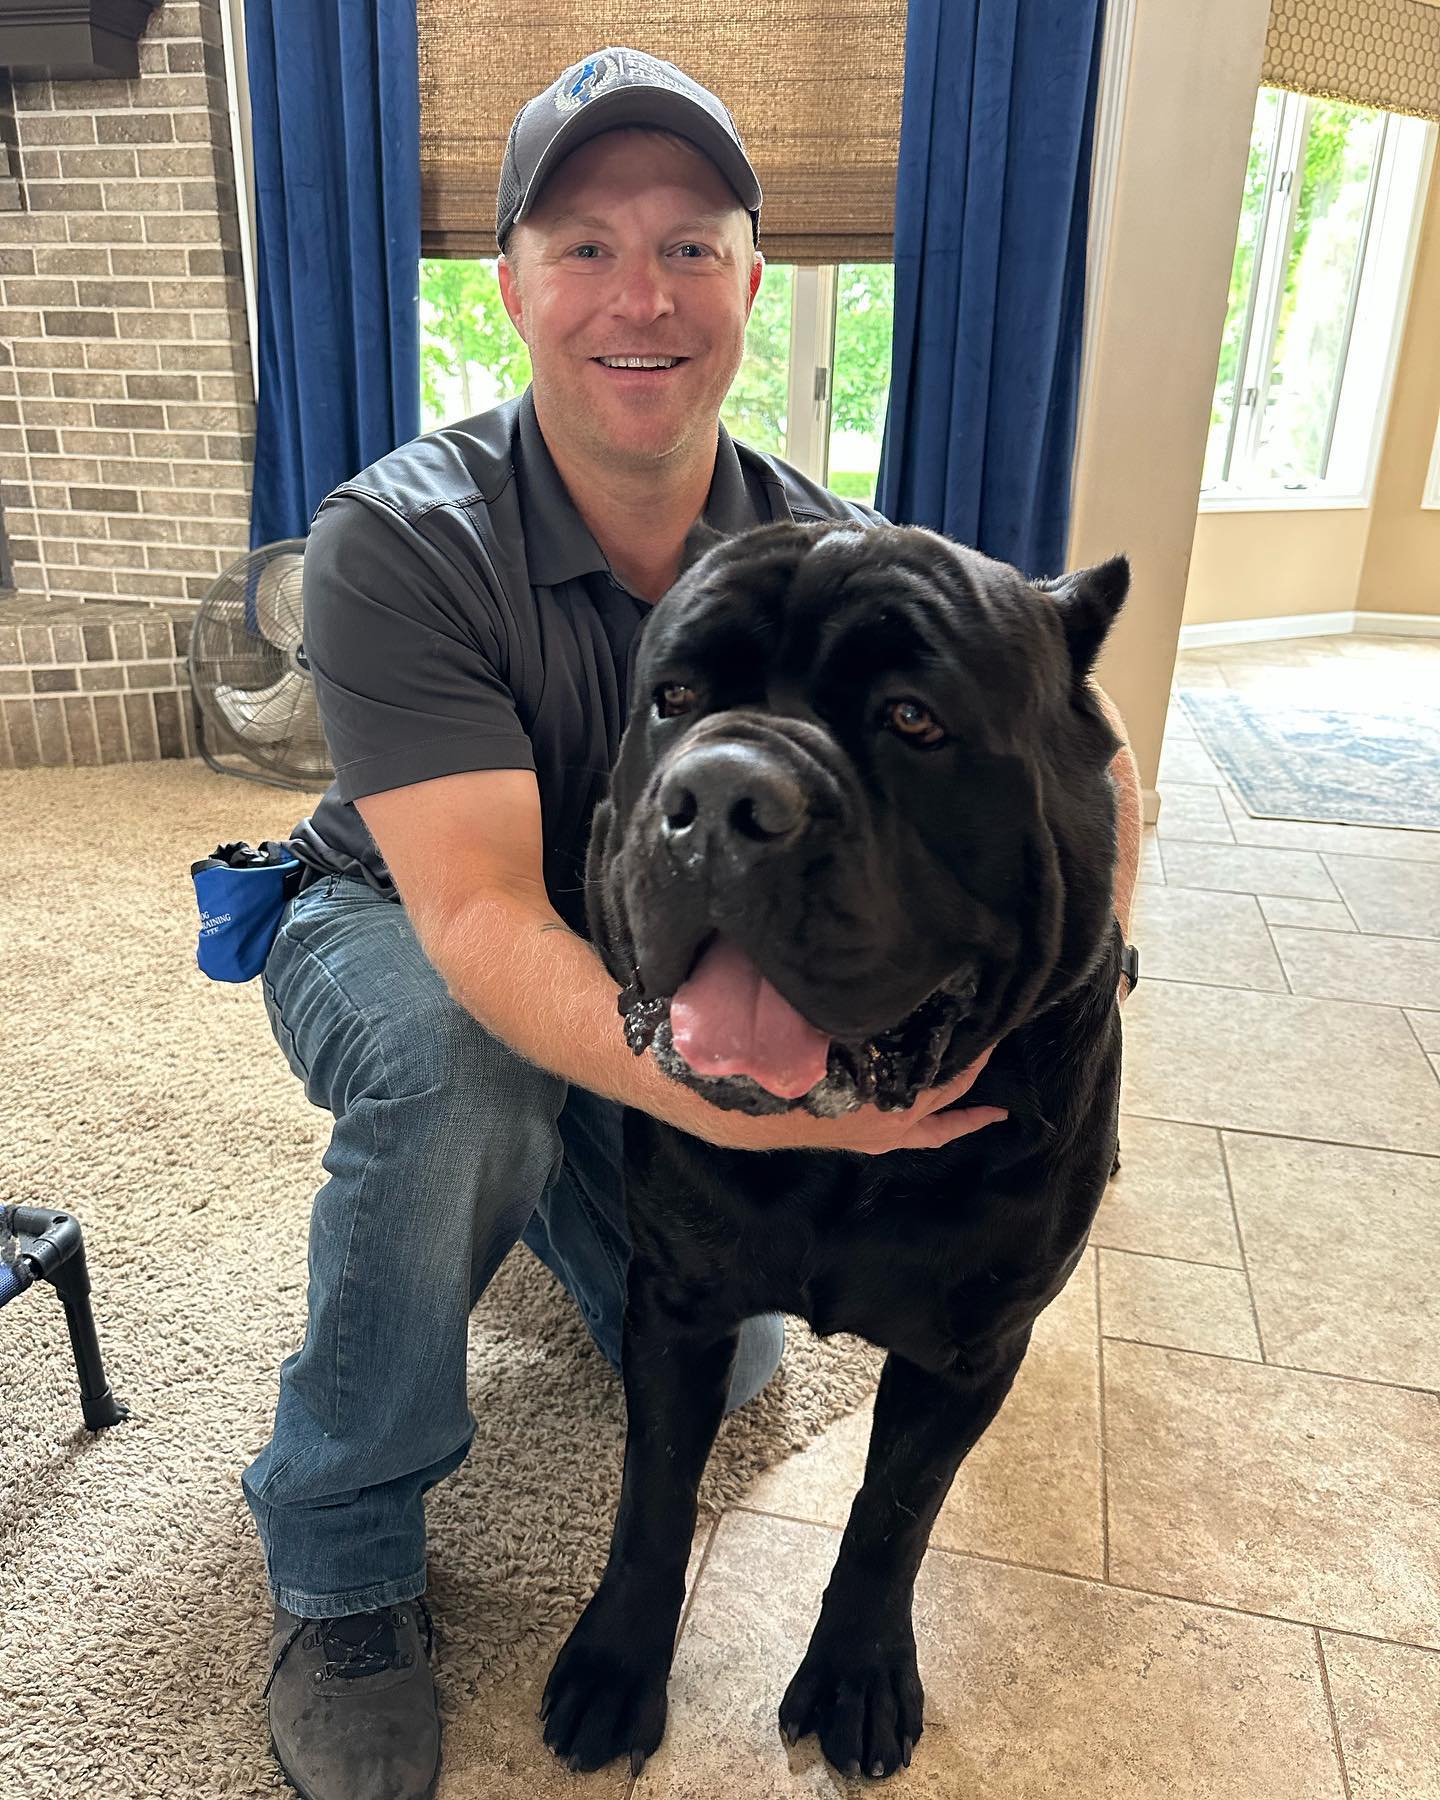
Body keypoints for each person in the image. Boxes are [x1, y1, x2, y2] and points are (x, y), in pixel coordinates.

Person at [245, 46, 1142, 1800]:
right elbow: (489, 920)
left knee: (718, 1367)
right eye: (583, 246)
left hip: (688, 960)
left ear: (750, 281)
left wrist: (1100, 869)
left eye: (688, 246)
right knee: (462, 1072)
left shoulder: (832, 543)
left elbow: (1063, 737)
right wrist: (783, 1100)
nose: (635, 295)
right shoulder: (396, 541)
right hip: (403, 927)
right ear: (508, 284)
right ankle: (343, 1548)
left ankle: (628, 1239)